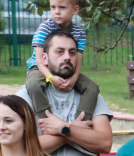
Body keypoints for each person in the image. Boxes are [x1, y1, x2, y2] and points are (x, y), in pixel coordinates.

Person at [24, 0, 100, 138]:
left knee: (92, 88)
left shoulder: (79, 32)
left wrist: (74, 78)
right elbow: (39, 59)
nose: (56, 11)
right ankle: (48, 123)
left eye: (62, 7)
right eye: (53, 7)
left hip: (66, 68)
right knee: (33, 84)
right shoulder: (45, 28)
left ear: (75, 10)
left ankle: (80, 127)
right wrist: (50, 77)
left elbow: (78, 60)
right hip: (41, 67)